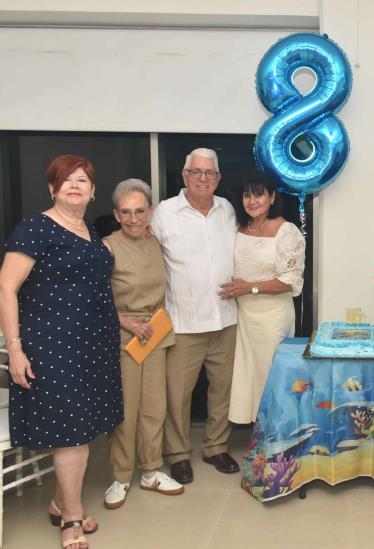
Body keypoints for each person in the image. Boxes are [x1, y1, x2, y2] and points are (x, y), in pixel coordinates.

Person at [0, 154, 123, 549]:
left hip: (94, 347)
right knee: (71, 436)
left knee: (83, 432)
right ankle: (71, 518)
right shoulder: (35, 228)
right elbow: (6, 288)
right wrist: (15, 349)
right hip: (54, 348)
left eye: (82, 180)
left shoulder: (88, 230)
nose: (74, 185)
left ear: (92, 192)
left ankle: (58, 501)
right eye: (65, 180)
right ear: (53, 188)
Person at [151, 148, 240, 485]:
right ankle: (177, 455)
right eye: (197, 172)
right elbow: (148, 256)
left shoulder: (227, 209)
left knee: (222, 390)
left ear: (217, 178)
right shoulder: (165, 213)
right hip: (183, 322)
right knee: (178, 395)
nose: (203, 178)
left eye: (210, 173)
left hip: (226, 319)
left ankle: (216, 446)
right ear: (185, 175)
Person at [102, 179, 184, 510]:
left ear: (150, 212)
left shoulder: (157, 242)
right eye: (126, 212)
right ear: (116, 214)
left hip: (156, 331)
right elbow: (93, 299)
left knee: (155, 407)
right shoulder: (106, 247)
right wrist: (125, 321)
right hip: (124, 334)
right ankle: (121, 476)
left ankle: (151, 470)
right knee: (126, 410)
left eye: (140, 211)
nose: (134, 219)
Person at [220, 175, 305, 425]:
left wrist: (250, 288)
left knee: (270, 377)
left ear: (272, 197)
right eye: (247, 195)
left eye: (258, 194)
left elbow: (291, 282)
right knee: (247, 377)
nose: (252, 200)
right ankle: (258, 436)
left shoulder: (286, 231)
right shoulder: (238, 228)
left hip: (271, 319)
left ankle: (277, 439)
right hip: (243, 318)